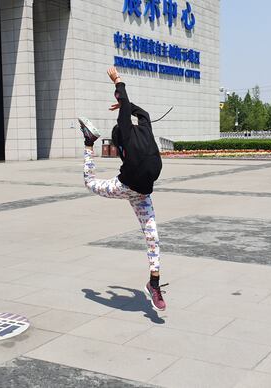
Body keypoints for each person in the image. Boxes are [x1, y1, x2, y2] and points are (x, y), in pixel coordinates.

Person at [77, 66, 166, 311]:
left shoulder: (124, 133)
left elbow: (126, 105)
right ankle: (88, 143)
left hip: (139, 194)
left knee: (153, 238)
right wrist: (128, 105)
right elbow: (142, 112)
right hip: (126, 187)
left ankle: (154, 284)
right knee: (91, 185)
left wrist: (117, 80)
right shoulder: (145, 127)